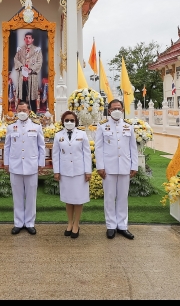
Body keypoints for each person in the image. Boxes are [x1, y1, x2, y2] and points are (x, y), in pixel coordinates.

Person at [95, 99, 138, 240]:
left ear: (123, 109)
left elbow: (133, 148)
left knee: (123, 197)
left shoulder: (129, 127)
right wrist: (100, 167)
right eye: (114, 108)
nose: (116, 110)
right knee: (109, 197)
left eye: (119, 108)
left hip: (125, 166)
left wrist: (134, 166)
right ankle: (111, 226)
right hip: (108, 168)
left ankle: (123, 226)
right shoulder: (102, 127)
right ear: (109, 111)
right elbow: (98, 148)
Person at [4, 99, 45, 234]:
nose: (22, 112)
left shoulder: (36, 126)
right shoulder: (10, 127)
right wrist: (6, 163)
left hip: (31, 165)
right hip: (15, 165)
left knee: (31, 196)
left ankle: (30, 223)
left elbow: (41, 146)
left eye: (24, 110)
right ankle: (18, 222)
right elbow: (7, 146)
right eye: (20, 110)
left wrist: (40, 163)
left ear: (29, 111)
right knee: (17, 196)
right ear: (16, 111)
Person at [52, 111, 92, 238]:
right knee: (68, 200)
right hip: (65, 172)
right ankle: (69, 223)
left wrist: (88, 171)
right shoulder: (58, 135)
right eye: (67, 120)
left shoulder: (82, 134)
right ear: (63, 121)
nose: (69, 122)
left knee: (78, 199)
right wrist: (56, 171)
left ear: (76, 122)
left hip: (80, 172)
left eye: (72, 120)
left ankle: (76, 224)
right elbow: (56, 155)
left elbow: (87, 154)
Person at [13, 32, 43, 112]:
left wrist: (31, 69)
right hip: (22, 76)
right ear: (24, 39)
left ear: (32, 39)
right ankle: (21, 113)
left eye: (30, 38)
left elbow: (39, 62)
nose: (28, 39)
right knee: (22, 96)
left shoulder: (37, 50)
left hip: (32, 76)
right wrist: (21, 67)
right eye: (26, 38)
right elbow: (16, 59)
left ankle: (33, 113)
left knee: (32, 97)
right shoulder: (20, 50)